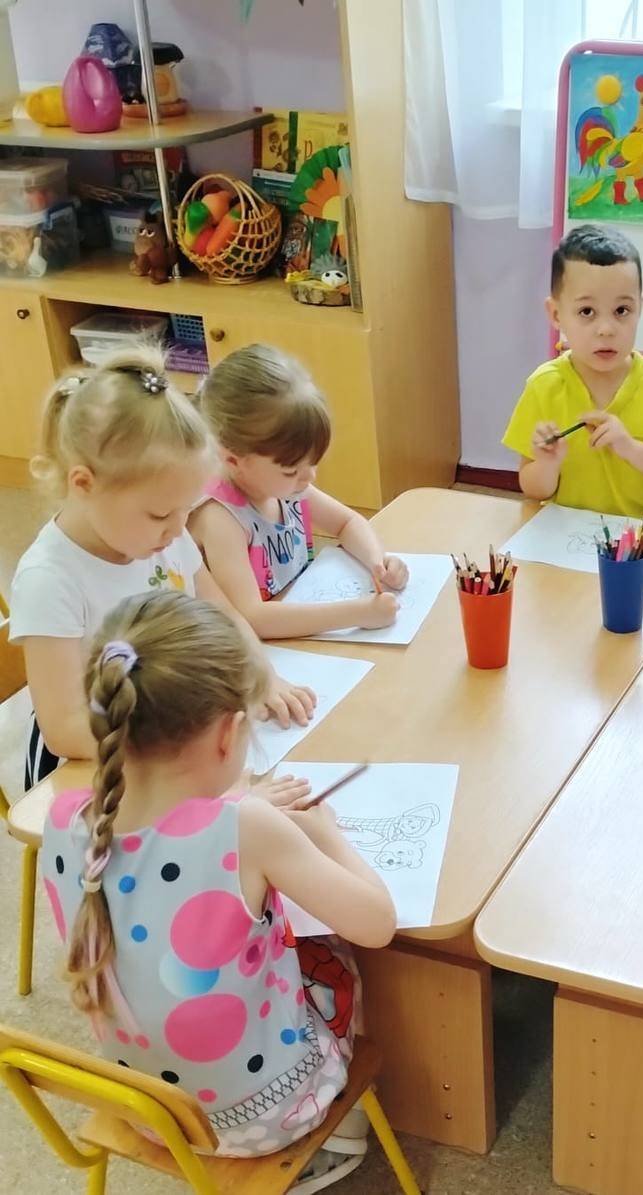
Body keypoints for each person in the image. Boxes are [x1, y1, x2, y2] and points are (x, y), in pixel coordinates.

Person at [40, 590, 396, 1186]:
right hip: (268, 1115)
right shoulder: (246, 827)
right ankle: (341, 1130)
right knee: (330, 950)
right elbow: (376, 923)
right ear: (229, 733)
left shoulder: (61, 818)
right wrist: (327, 834)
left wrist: (236, 805)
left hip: (150, 1108)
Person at [9, 348, 314, 791]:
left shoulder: (164, 536)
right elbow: (64, 728)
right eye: (159, 514)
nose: (178, 529)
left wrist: (262, 675)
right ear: (84, 484)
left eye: (185, 509)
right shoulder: (48, 580)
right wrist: (181, 746)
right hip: (94, 766)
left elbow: (223, 615)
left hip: (174, 728)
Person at [190, 344, 405, 639]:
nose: (309, 477)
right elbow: (253, 619)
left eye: (312, 464)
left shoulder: (286, 486)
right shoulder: (220, 517)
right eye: (292, 470)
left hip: (296, 633)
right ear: (234, 460)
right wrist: (358, 614)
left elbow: (346, 523)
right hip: (256, 648)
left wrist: (378, 562)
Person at [503, 224, 643, 526]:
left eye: (622, 310)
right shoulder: (544, 385)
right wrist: (547, 465)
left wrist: (630, 448)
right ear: (556, 314)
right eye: (587, 312)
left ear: (640, 308)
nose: (607, 329)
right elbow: (532, 489)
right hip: (573, 538)